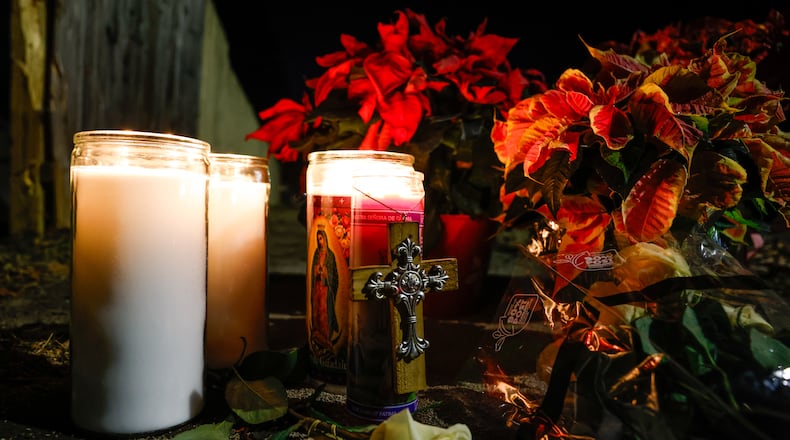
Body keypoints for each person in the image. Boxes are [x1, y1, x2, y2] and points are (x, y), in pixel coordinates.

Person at [310, 226, 340, 352]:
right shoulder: (316, 253)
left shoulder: (330, 255)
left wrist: (326, 273)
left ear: (325, 239)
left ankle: (326, 337)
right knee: (317, 311)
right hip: (317, 288)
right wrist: (317, 271)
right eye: (318, 239)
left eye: (321, 239)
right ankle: (317, 335)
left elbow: (334, 274)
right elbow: (312, 271)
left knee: (324, 312)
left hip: (326, 289)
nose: (319, 241)